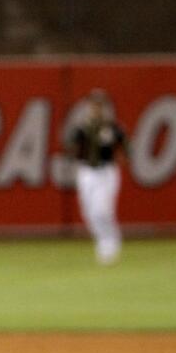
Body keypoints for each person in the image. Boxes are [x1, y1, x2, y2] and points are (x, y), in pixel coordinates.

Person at [69, 89, 127, 265]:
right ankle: (103, 240)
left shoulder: (112, 127)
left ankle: (109, 243)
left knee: (102, 210)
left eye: (99, 105)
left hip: (106, 171)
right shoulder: (82, 127)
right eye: (93, 105)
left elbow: (124, 145)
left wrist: (123, 156)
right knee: (89, 212)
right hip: (86, 171)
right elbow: (72, 146)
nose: (96, 109)